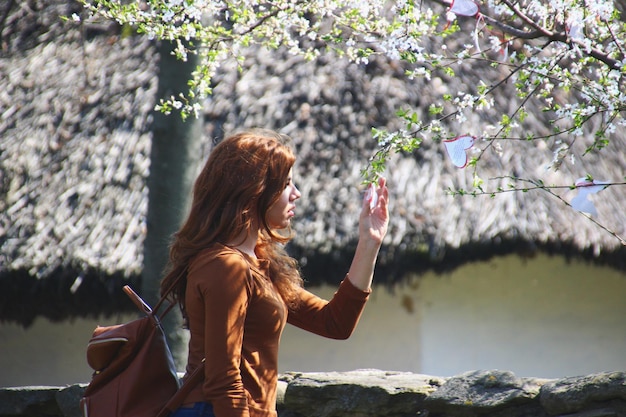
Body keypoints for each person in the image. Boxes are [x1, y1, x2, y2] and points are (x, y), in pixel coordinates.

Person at [160, 128, 389, 417]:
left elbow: (335, 323)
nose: (297, 194)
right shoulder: (224, 266)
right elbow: (223, 381)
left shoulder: (256, 262)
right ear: (253, 189)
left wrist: (369, 243)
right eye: (287, 184)